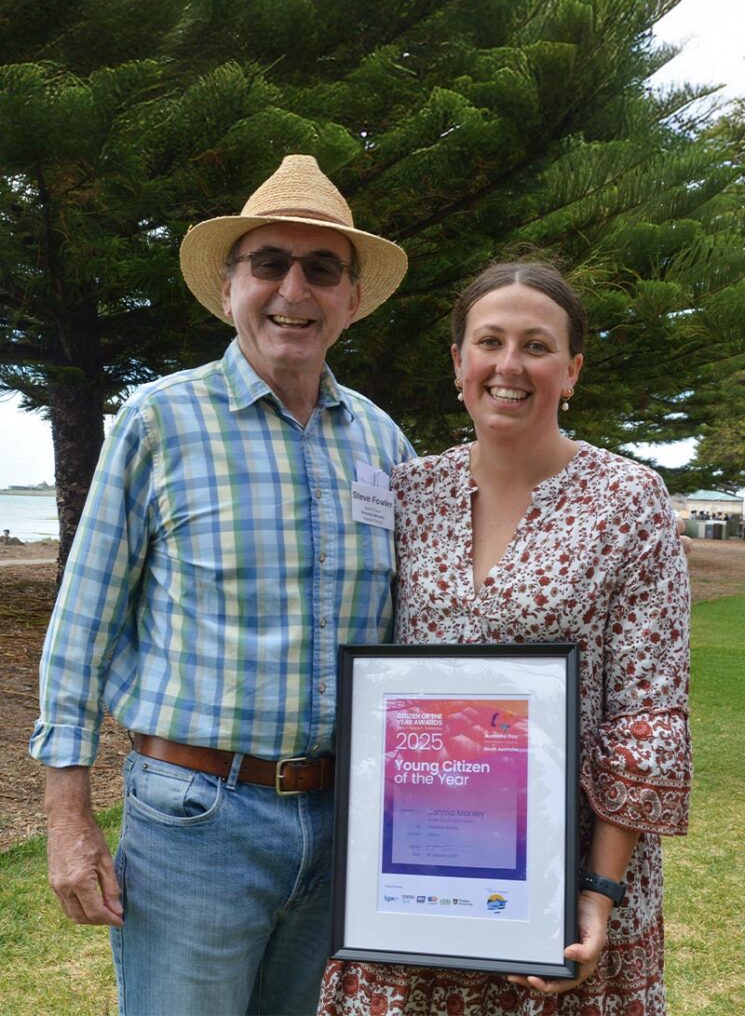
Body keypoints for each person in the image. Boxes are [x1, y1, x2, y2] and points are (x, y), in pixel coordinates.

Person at [29, 154, 415, 1016]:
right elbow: (83, 622)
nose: (294, 289)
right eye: (269, 263)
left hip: (341, 822)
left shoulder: (384, 443)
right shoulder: (160, 420)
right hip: (196, 820)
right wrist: (67, 817)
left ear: (350, 298)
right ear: (231, 287)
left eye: (322, 269)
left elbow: (416, 629)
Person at [319, 262, 691, 1016]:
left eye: (536, 345)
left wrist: (598, 892)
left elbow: (647, 716)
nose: (509, 365)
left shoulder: (627, 499)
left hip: (569, 876)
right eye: (488, 341)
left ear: (571, 371)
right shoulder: (409, 493)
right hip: (418, 873)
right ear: (458, 363)